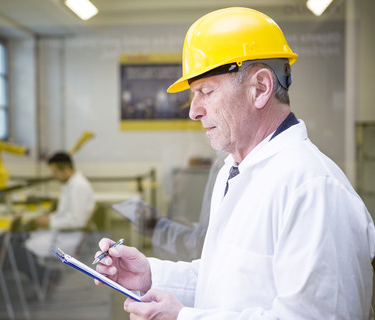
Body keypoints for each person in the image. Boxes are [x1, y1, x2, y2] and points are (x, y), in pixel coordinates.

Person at [95, 7, 375, 319]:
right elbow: (222, 281)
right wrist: (150, 275)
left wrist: (183, 317)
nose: (194, 111)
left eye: (206, 91)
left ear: (260, 88)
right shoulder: (235, 171)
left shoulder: (313, 188)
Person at [135, 155, 225, 261]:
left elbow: (206, 246)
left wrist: (160, 230)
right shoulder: (223, 164)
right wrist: (192, 228)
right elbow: (211, 234)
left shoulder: (224, 165)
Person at [25, 151, 95, 257]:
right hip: (64, 233)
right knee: (29, 238)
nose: (54, 176)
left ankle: (41, 272)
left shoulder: (79, 186)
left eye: (55, 172)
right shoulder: (69, 185)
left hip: (69, 237)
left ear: (66, 169)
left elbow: (77, 221)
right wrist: (49, 219)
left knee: (27, 246)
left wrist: (50, 223)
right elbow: (64, 214)